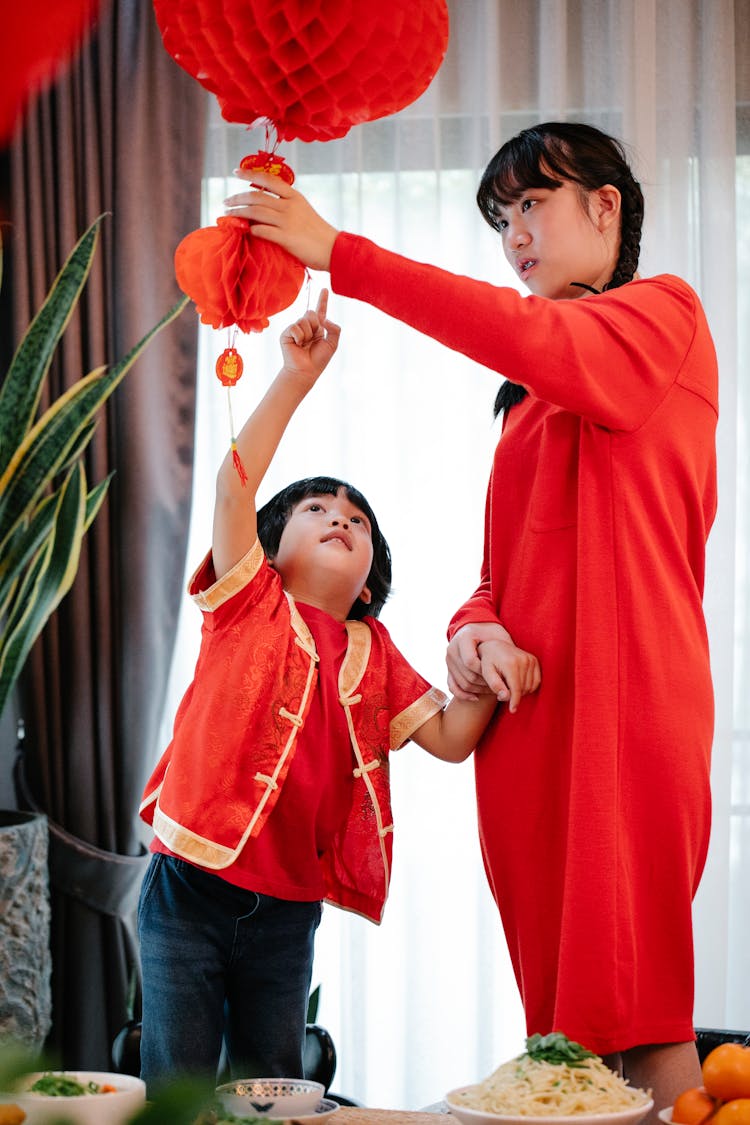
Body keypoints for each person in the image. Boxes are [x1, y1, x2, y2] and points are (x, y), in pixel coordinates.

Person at [225, 122, 718, 1119]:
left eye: (532, 204)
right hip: (527, 734)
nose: (515, 234)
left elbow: (526, 329)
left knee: (643, 1010)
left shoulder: (663, 318)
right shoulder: (528, 403)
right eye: (502, 219)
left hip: (627, 718)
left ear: (606, 208)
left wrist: (341, 256)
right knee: (565, 1034)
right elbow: (498, 577)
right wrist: (468, 633)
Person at [136, 290, 534, 1092]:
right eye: (316, 507)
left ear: (366, 584)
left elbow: (455, 738)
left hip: (288, 911)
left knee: (271, 1087)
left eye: (355, 518)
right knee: (177, 1087)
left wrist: (491, 654)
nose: (339, 517)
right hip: (190, 887)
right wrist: (294, 376)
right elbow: (231, 488)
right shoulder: (248, 599)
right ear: (269, 548)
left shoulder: (374, 651)